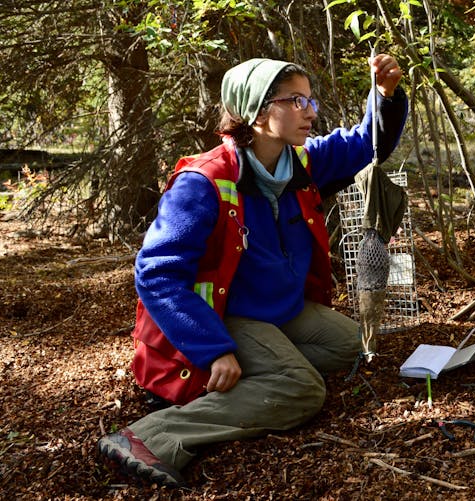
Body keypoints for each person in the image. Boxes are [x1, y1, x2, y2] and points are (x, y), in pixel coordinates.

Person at [97, 53, 407, 488]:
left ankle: (270, 372)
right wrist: (213, 348)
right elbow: (157, 274)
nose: (310, 112)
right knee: (302, 389)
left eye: (309, 101)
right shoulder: (202, 182)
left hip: (280, 310)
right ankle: (152, 436)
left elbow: (364, 144)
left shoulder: (300, 163)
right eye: (296, 101)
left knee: (353, 346)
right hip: (225, 316)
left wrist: (384, 95)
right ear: (258, 111)